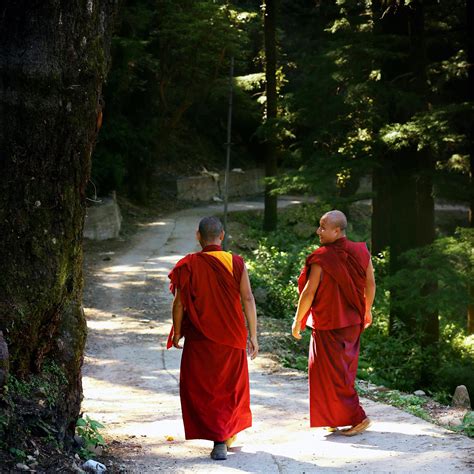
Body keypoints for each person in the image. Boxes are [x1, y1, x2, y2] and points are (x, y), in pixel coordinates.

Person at [167, 216, 259, 460]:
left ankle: (218, 437)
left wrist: (177, 332)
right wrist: (254, 335)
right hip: (232, 336)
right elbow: (248, 298)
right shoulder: (235, 262)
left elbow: (179, 304)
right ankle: (223, 435)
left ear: (198, 236)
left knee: (203, 388)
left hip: (200, 338)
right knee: (230, 387)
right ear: (223, 235)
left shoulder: (188, 264)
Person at [291, 210, 376, 436]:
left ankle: (357, 417)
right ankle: (334, 417)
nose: (318, 231)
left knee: (330, 373)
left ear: (337, 231)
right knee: (341, 372)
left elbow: (309, 293)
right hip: (351, 322)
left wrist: (298, 320)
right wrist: (366, 311)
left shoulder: (322, 258)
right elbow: (371, 285)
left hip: (328, 324)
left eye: (323, 227)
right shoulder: (360, 252)